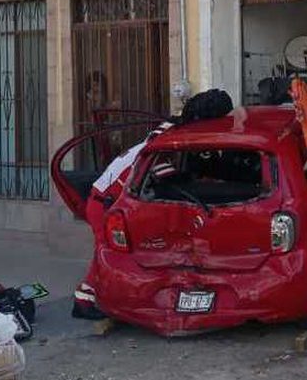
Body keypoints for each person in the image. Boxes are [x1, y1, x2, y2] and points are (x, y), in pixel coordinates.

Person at [72, 89, 235, 320]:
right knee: (106, 252)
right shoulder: (170, 138)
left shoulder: (171, 127)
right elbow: (162, 171)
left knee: (109, 250)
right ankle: (83, 302)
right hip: (106, 201)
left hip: (108, 196)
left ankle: (92, 297)